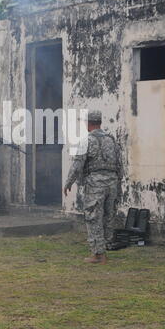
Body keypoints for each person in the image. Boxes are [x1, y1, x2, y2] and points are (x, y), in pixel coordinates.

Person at [64, 110, 122, 264]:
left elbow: (77, 165)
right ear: (100, 122)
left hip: (95, 184)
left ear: (88, 123)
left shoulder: (86, 141)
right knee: (108, 217)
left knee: (93, 217)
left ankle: (98, 255)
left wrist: (68, 182)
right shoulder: (112, 140)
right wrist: (118, 184)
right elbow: (120, 165)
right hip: (112, 183)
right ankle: (105, 248)